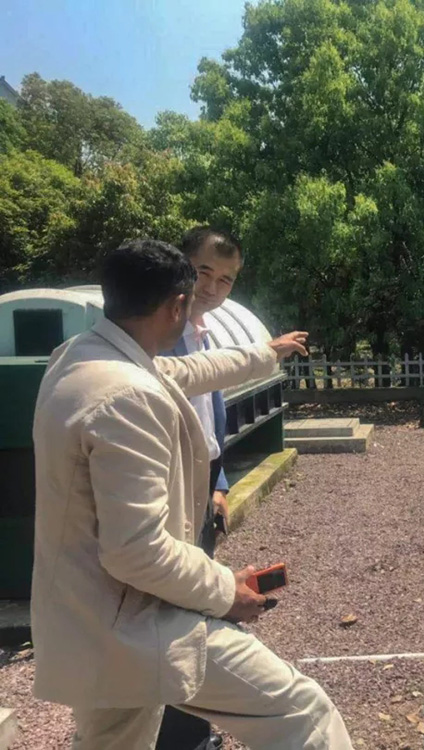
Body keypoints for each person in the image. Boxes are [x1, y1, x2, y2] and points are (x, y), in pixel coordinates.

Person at [31, 239, 353, 750]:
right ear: (177, 305)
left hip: (86, 618)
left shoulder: (79, 358)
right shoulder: (127, 397)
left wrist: (265, 354)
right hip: (132, 624)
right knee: (303, 713)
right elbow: (136, 550)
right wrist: (227, 590)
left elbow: (191, 371)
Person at [156, 227, 244, 750]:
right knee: (176, 611)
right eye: (203, 272)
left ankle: (194, 729)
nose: (211, 287)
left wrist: (220, 482)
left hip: (202, 484)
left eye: (225, 279)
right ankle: (177, 735)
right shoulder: (157, 338)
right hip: (170, 488)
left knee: (194, 607)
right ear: (181, 267)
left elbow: (211, 418)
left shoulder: (203, 333)